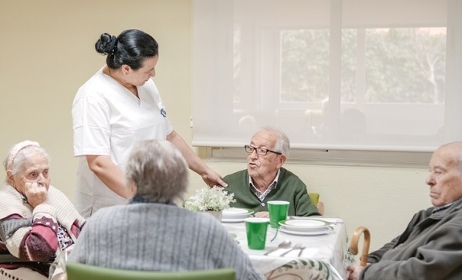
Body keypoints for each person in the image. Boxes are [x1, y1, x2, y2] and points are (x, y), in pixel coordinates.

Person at [72, 29, 226, 218]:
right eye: (148, 69)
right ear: (126, 68)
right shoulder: (93, 96)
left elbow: (169, 136)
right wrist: (139, 198)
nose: (153, 73)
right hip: (111, 205)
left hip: (149, 201)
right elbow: (98, 163)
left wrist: (204, 171)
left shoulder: (146, 85)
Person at [67, 139, 265, 280]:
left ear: (131, 182)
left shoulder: (98, 225)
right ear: (181, 184)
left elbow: (72, 274)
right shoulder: (207, 229)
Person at [347, 141, 462, 280]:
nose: (429, 180)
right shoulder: (430, 214)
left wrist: (367, 273)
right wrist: (372, 261)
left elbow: (422, 271)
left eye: (438, 172)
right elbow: (397, 244)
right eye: (430, 171)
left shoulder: (458, 224)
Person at [0, 141, 85, 279]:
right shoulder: (5, 203)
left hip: (72, 264)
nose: (42, 181)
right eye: (33, 174)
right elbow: (38, 250)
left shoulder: (51, 192)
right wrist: (42, 206)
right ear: (11, 177)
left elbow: (81, 227)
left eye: (45, 172)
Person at [223, 127, 320, 217]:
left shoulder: (294, 185)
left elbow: (313, 220)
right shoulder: (229, 184)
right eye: (251, 148)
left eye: (262, 150)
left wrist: (279, 218)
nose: (252, 156)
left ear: (280, 160)